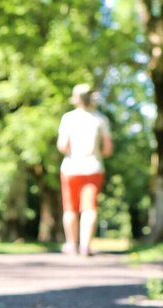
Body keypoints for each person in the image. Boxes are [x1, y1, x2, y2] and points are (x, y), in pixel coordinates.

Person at [57, 83, 113, 256]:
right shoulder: (100, 119)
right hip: (93, 167)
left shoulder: (68, 118)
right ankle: (85, 246)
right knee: (89, 208)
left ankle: (71, 245)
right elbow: (108, 149)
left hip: (70, 168)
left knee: (70, 208)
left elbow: (62, 146)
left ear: (76, 99)